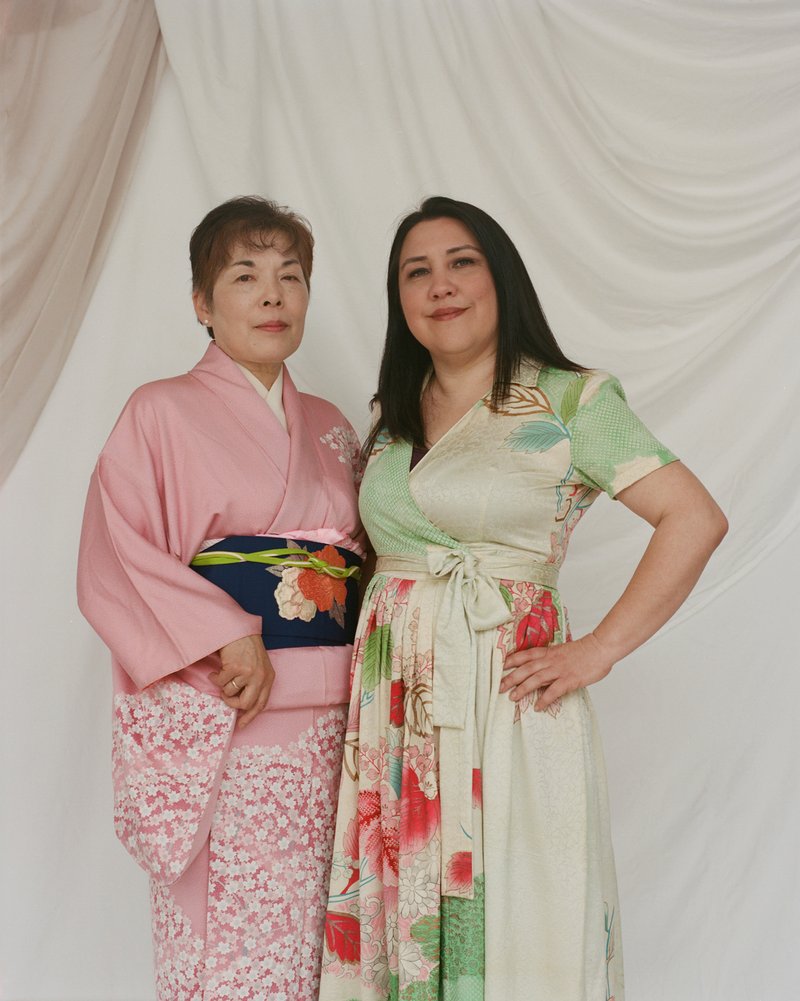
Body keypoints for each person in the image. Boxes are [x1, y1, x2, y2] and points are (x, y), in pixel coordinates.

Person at [318, 196, 727, 1001]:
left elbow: (694, 517)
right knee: (406, 926)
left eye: (462, 261)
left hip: (508, 705)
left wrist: (599, 648)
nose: (441, 284)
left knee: (521, 918)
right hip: (398, 718)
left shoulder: (570, 402)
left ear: (502, 276)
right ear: (399, 301)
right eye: (417, 271)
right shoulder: (391, 420)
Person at [77, 196, 365, 998]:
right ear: (203, 303)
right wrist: (223, 633)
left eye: (291, 276)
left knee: (320, 943)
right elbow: (116, 557)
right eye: (246, 276)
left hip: (331, 727)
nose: (273, 295)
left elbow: (361, 564)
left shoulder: (333, 426)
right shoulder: (159, 411)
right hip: (225, 711)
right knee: (226, 944)